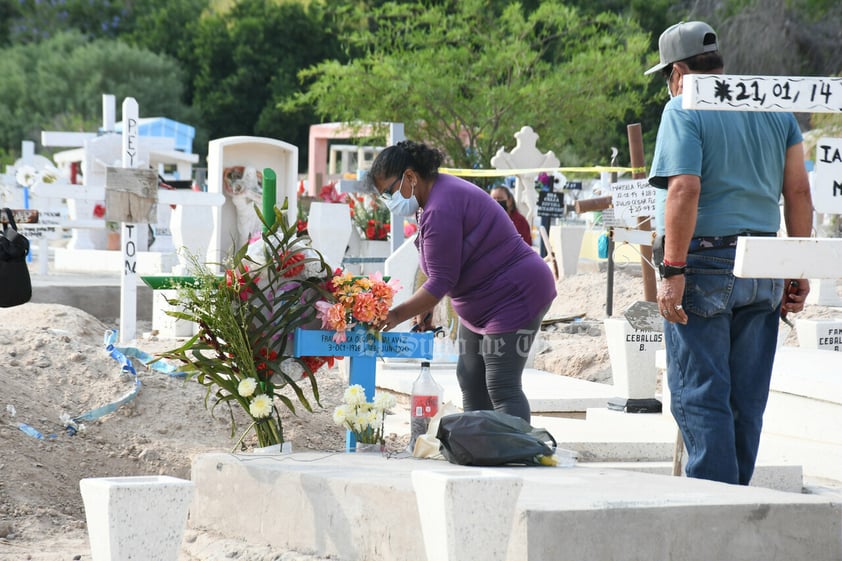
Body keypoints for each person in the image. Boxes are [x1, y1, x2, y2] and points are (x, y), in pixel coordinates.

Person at [647, 21, 814, 485]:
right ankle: (738, 505)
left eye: (666, 77)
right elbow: (798, 191)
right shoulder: (772, 108)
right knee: (747, 397)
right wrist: (797, 268)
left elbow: (684, 189)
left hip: (705, 262)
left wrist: (672, 268)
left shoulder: (684, 108)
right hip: (765, 261)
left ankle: (712, 510)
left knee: (701, 393)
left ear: (678, 72)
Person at [369, 140, 556, 422]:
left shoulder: (441, 206)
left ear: (410, 177)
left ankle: (517, 455)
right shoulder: (430, 200)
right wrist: (426, 310)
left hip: (514, 294)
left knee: (501, 382)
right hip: (483, 302)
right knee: (470, 375)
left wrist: (395, 315)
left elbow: (442, 281)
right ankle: (484, 447)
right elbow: (439, 269)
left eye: (389, 191)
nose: (388, 201)